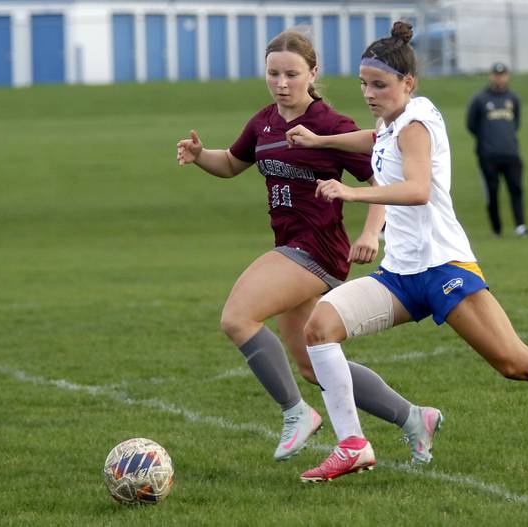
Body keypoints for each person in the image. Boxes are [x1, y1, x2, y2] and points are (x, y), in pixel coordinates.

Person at [285, 21, 528, 482]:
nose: (370, 94)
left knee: (513, 361)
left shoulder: (415, 123)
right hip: (399, 275)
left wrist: (350, 194)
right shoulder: (392, 119)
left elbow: (418, 189)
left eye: (379, 85)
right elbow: (375, 139)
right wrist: (322, 140)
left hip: (443, 268)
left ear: (407, 83)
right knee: (320, 328)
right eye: (363, 84)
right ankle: (353, 445)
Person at [175, 29, 441, 464]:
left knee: (238, 317)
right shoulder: (263, 121)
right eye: (273, 73)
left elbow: (382, 179)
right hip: (292, 248)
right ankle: (413, 417)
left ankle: (296, 411)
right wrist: (201, 154)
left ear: (313, 73)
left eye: (292, 74)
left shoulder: (330, 127)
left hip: (317, 249)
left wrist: (372, 232)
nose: (282, 83)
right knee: (312, 364)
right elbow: (231, 163)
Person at [466, 62, 528, 237]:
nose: (499, 78)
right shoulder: (480, 99)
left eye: (502, 75)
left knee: (516, 189)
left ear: (507, 76)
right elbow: (471, 124)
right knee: (492, 192)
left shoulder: (512, 98)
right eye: (496, 74)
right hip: (488, 155)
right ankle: (496, 229)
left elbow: (516, 122)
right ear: (491, 76)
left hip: (511, 153)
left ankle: (520, 226)